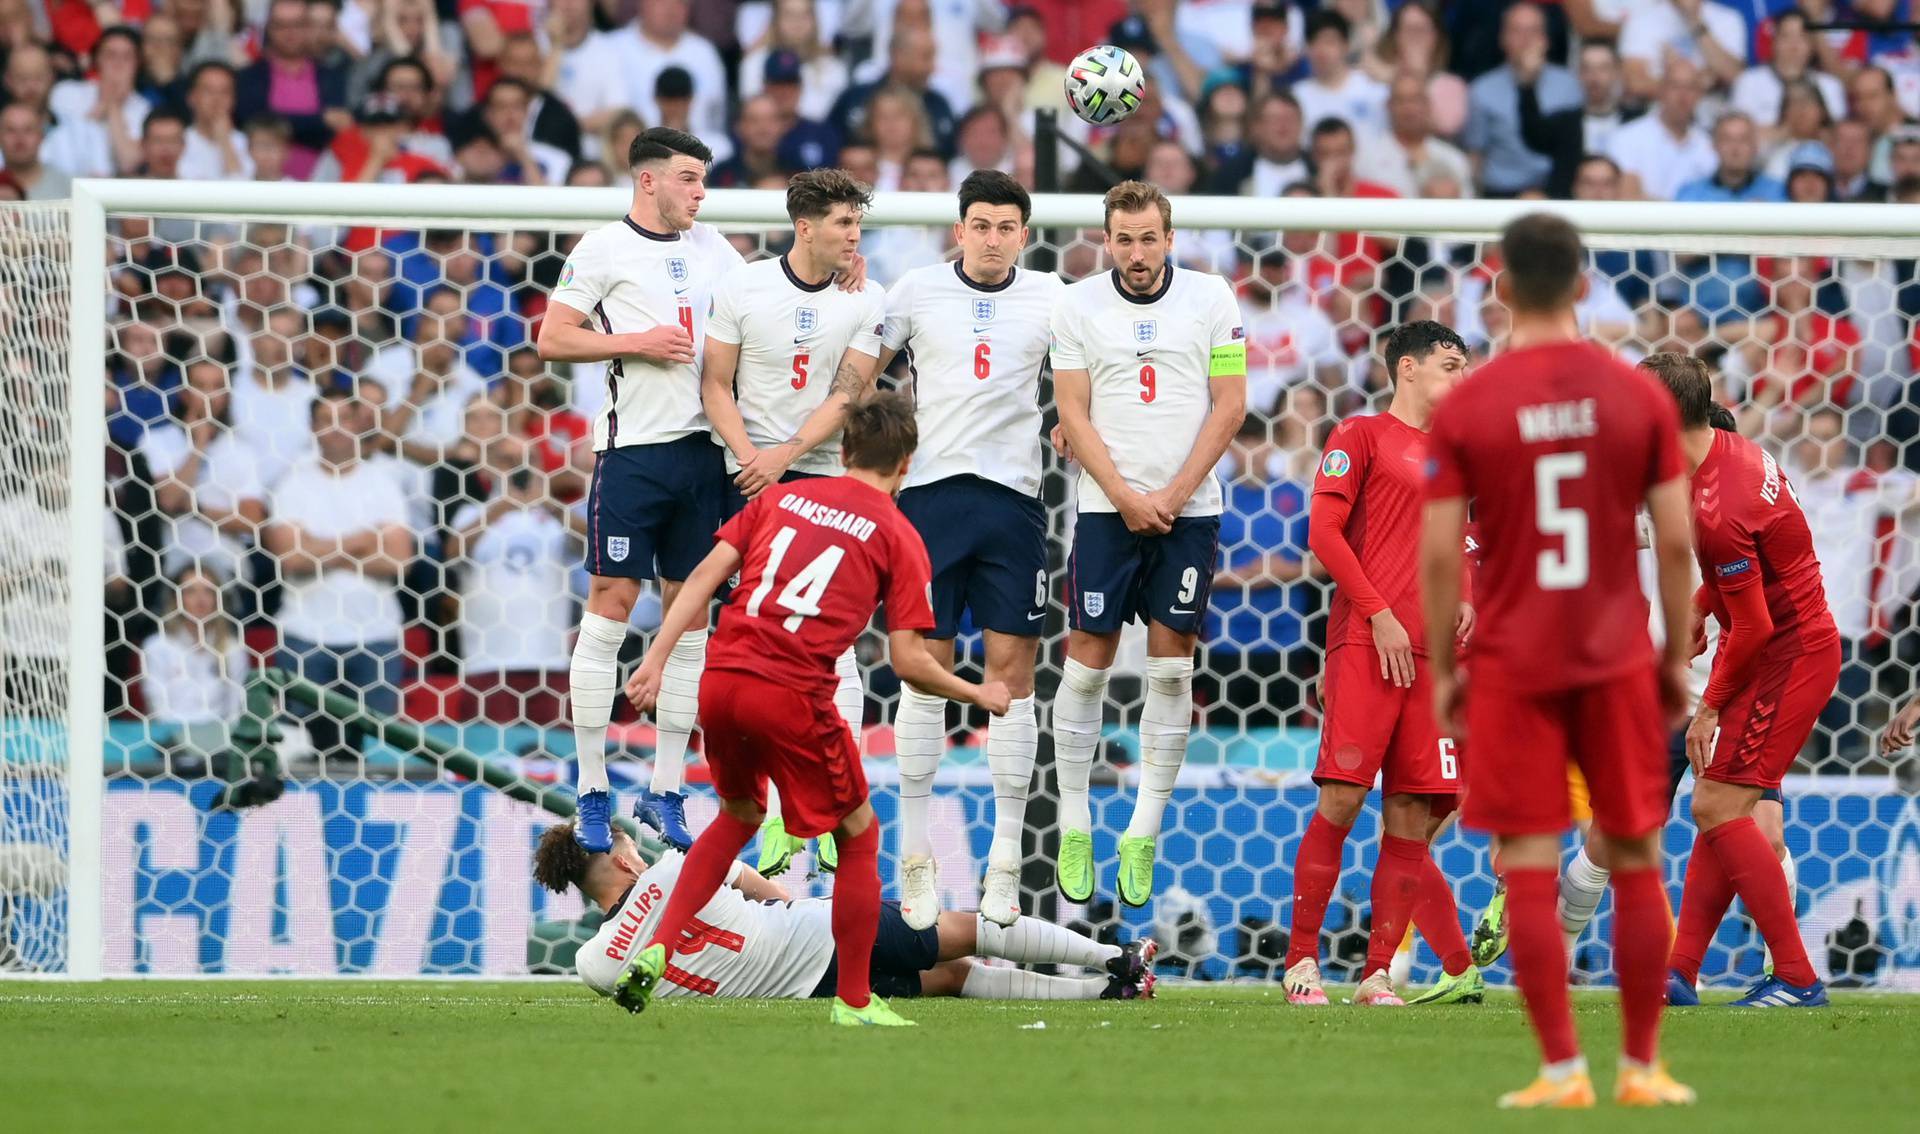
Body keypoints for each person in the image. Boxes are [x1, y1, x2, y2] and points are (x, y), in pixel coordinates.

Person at [616, 392, 1011, 1026]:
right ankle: (854, 1001)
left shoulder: (776, 499)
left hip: (721, 678)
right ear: (907, 464)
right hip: (792, 692)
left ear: (844, 451)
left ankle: (658, 948)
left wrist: (658, 659)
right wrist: (979, 694)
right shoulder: (899, 535)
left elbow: (702, 577)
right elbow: (910, 662)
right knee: (858, 836)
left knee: (737, 816)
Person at [1421, 212, 1697, 1108]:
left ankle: (1560, 1070)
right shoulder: (1637, 396)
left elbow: (1436, 553)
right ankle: (1645, 1067)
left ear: (1499, 289)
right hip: (1613, 653)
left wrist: (1445, 667)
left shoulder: (1470, 404)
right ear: (1583, 285)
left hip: (1512, 661)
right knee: (1635, 857)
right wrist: (1671, 656)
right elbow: (1679, 543)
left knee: (1531, 865)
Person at [536, 127, 745, 855]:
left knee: (690, 623)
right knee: (612, 609)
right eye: (689, 178)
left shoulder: (717, 249)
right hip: (632, 455)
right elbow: (553, 338)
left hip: (704, 457)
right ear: (648, 181)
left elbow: (770, 306)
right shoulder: (600, 249)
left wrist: (842, 271)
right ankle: (592, 788)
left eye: (703, 180)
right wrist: (636, 341)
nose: (700, 192)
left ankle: (664, 791)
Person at [871, 170, 1063, 930]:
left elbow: (1087, 379)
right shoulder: (914, 291)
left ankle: (1004, 865)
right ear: (960, 230)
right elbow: (863, 374)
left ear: (1024, 234)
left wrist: (1069, 425)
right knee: (924, 675)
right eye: (978, 225)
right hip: (927, 501)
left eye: (1005, 226)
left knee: (1011, 680)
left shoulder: (1054, 297)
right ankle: (916, 858)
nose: (991, 239)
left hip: (1013, 504)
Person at [1048, 180, 1246, 909]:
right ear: (1107, 240)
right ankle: (1075, 820)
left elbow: (1232, 405)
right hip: (1106, 510)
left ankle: (1143, 831)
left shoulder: (1212, 297)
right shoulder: (1077, 305)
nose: (1136, 253)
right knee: (1087, 665)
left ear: (1170, 237)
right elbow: (1072, 408)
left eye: (1148, 238)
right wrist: (1129, 497)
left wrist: (1171, 495)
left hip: (1189, 512)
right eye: (1123, 239)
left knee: (1170, 672)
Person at [1283, 321, 1483, 1010]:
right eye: (1452, 366)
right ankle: (1302, 962)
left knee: (1410, 814)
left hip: (1437, 659)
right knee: (1342, 797)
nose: (1462, 379)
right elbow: (1323, 535)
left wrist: (1470, 600)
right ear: (1408, 367)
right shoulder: (1359, 437)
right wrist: (1379, 613)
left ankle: (1375, 974)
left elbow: (1466, 544)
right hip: (1370, 643)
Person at [698, 167, 888, 871]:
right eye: (844, 223)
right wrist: (753, 455)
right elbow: (715, 381)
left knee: (833, 646)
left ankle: (838, 812)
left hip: (825, 478)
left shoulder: (866, 298)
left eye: (858, 225)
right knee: (756, 649)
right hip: (749, 480)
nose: (854, 236)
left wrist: (786, 454)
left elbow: (849, 393)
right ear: (805, 226)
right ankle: (777, 813)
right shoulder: (744, 287)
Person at [1641, 355, 1837, 1009]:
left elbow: (1751, 627)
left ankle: (1798, 977)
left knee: (1716, 807)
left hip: (1787, 657)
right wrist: (1701, 608)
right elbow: (1750, 577)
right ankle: (1679, 972)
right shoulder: (1730, 450)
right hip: (1787, 647)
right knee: (1717, 807)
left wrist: (1708, 709)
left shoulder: (1714, 506)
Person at [533, 826, 1157, 1004]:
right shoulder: (673, 869)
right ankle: (1115, 960)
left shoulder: (594, 964)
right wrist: (798, 905)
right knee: (955, 932)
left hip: (803, 992)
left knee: (947, 981)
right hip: (817, 932)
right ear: (616, 859)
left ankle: (1104, 993)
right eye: (625, 847)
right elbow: (754, 883)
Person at [264, 386, 414, 767]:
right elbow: (289, 558)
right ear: (312, 427)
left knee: (378, 755)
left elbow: (398, 561)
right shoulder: (292, 483)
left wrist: (320, 546)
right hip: (305, 634)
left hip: (374, 635)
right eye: (324, 420)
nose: (335, 429)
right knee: (299, 753)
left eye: (343, 419)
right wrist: (365, 539)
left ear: (358, 424)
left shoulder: (383, 482)